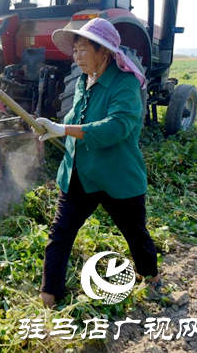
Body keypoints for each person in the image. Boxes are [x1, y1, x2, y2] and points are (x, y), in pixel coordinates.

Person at [32, 18, 161, 309]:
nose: (75, 56)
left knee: (134, 233)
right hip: (79, 173)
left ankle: (151, 279)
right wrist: (49, 127)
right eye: (74, 50)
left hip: (117, 176)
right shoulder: (81, 81)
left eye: (82, 50)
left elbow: (116, 127)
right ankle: (49, 296)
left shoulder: (125, 83)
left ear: (103, 51)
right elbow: (74, 119)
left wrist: (63, 130)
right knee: (60, 232)